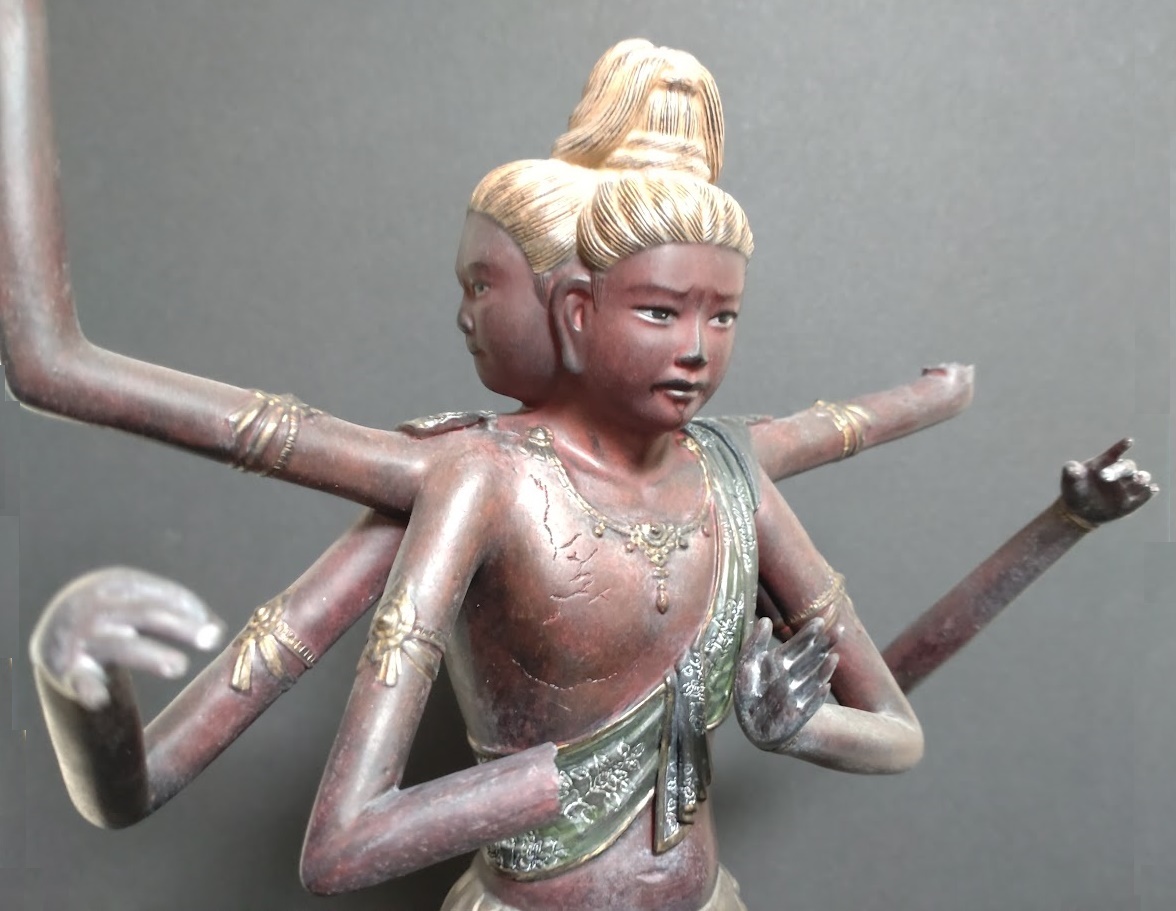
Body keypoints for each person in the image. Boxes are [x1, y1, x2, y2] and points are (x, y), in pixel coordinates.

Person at [298, 164, 924, 911]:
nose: (697, 349)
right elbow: (340, 846)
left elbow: (898, 732)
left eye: (724, 317)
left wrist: (800, 727)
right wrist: (551, 784)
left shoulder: (730, 475)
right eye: (660, 312)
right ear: (577, 312)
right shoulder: (487, 478)